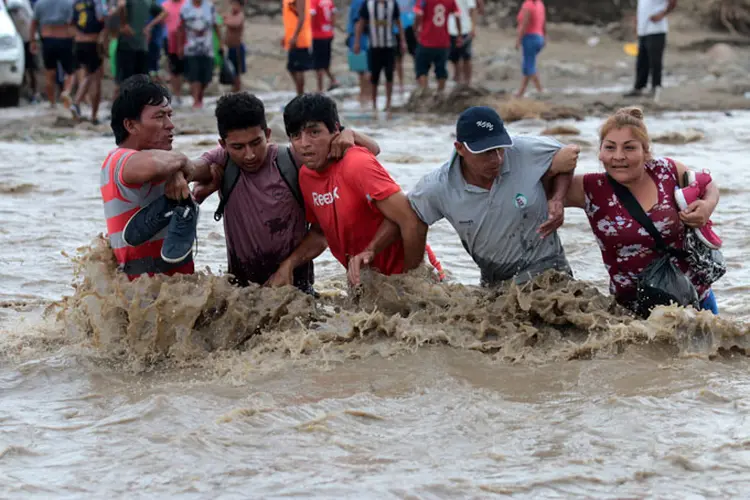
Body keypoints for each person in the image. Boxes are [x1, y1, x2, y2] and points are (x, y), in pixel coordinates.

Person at [190, 92, 382, 291]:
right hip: (240, 292)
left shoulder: (293, 161)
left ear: (268, 134)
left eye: (256, 142)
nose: (249, 155)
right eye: (238, 147)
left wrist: (348, 132)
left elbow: (320, 233)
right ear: (223, 145)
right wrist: (189, 187)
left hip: (297, 290)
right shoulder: (222, 162)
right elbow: (190, 167)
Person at [563, 107, 720, 315]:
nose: (618, 156)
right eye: (610, 148)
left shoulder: (667, 171)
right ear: (600, 152)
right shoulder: (590, 188)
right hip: (632, 311)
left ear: (646, 151)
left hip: (695, 300)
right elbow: (535, 194)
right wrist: (558, 166)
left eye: (629, 148)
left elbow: (708, 184)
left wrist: (707, 206)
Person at [408, 106, 581, 287]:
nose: (497, 159)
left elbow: (568, 155)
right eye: (486, 152)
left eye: (500, 148)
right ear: (460, 148)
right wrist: (418, 275)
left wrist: (558, 198)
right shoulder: (438, 186)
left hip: (550, 270)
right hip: (494, 280)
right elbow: (410, 217)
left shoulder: (523, 149)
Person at [282, 93, 426, 282]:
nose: (304, 144)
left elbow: (412, 220)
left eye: (314, 132)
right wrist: (288, 265)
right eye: (295, 136)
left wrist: (410, 284)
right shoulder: (306, 176)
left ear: (335, 129)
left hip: (404, 279)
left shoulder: (356, 163)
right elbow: (320, 233)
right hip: (368, 285)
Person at [102, 75, 215, 279]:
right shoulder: (119, 160)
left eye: (170, 115)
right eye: (160, 116)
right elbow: (155, 165)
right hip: (142, 295)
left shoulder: (164, 160)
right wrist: (179, 165)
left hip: (176, 294)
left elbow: (211, 170)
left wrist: (180, 172)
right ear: (131, 126)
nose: (170, 125)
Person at [353, 0, 406, 114]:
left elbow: (398, 22)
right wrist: (357, 42)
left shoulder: (392, 4)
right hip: (374, 46)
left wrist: (403, 41)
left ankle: (388, 103)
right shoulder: (368, 4)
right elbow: (361, 23)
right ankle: (374, 104)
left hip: (389, 45)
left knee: (389, 74)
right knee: (374, 76)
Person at [624, 0, 677, 102]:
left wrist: (662, 14)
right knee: (641, 60)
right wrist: (637, 23)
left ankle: (656, 87)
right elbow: (643, 8)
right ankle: (639, 87)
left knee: (655, 60)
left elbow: (673, 2)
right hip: (643, 30)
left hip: (656, 30)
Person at [29, 0, 75, 109]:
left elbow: (33, 23)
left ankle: (52, 102)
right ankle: (66, 92)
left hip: (47, 40)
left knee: (49, 73)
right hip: (65, 39)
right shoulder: (69, 3)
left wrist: (32, 41)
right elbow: (72, 22)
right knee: (70, 72)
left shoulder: (40, 3)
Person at [70, 0, 107, 124]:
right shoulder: (97, 2)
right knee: (95, 78)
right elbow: (103, 17)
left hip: (78, 43)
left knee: (88, 75)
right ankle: (89, 112)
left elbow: (70, 22)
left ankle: (81, 106)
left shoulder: (76, 3)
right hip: (93, 43)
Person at [413, 0, 460, 93]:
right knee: (441, 70)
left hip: (426, 40)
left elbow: (418, 14)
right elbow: (457, 15)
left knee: (422, 69)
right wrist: (459, 32)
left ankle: (424, 93)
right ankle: (440, 94)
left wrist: (415, 28)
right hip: (443, 41)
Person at [178, 0, 219, 108]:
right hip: (191, 48)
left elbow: (216, 26)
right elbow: (181, 28)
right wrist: (180, 46)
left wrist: (221, 43)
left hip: (207, 49)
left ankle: (200, 97)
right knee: (194, 75)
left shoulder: (210, 7)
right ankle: (196, 100)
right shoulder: (185, 7)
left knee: (206, 78)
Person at [116, 0, 166, 88]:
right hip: (142, 45)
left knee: (125, 81)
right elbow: (164, 13)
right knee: (141, 82)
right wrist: (149, 27)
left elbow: (121, 5)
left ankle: (125, 101)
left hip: (127, 45)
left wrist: (124, 24)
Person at [5, 0, 38, 102]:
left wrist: (33, 38)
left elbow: (30, 18)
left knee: (30, 68)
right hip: (12, 40)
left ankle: (34, 94)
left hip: (26, 38)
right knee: (23, 68)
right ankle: (25, 93)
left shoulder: (18, 2)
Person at [514, 0, 545, 98]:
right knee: (527, 65)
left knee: (529, 66)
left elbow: (524, 23)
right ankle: (521, 92)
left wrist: (518, 40)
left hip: (530, 38)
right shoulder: (540, 3)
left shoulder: (528, 5)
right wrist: (545, 36)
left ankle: (540, 91)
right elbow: (544, 22)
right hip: (539, 37)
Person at [282, 0, 312, 95]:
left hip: (300, 38)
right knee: (291, 67)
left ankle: (300, 95)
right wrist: (286, 36)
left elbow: (302, 17)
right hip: (291, 37)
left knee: (299, 68)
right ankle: (300, 93)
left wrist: (295, 36)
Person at [309, 0, 338, 92]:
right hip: (328, 34)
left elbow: (312, 15)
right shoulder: (329, 1)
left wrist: (309, 29)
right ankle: (333, 80)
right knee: (325, 61)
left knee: (318, 63)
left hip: (317, 35)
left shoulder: (314, 1)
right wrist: (331, 28)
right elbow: (333, 15)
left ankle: (320, 88)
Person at [347, 0, 370, 106]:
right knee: (363, 68)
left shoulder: (358, 2)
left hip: (360, 37)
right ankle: (365, 93)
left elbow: (358, 22)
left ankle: (364, 94)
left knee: (362, 68)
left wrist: (356, 41)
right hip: (363, 36)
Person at [448, 0, 475, 86]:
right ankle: (457, 79)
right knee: (454, 57)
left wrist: (473, 26)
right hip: (450, 28)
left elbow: (472, 9)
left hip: (465, 28)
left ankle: (468, 81)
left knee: (466, 56)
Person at [163, 0, 185, 103]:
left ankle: (179, 93)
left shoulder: (186, 4)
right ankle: (177, 94)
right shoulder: (165, 5)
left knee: (181, 69)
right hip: (169, 40)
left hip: (185, 41)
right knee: (173, 68)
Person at [393, 0, 416, 94]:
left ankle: (418, 81)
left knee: (415, 56)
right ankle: (401, 84)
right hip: (397, 28)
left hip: (411, 26)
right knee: (398, 58)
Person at [223, 0, 245, 92]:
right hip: (229, 48)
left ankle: (237, 89)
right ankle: (234, 89)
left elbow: (235, 24)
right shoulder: (231, 15)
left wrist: (226, 20)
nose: (233, 6)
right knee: (231, 71)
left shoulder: (240, 15)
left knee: (236, 71)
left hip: (237, 48)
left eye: (235, 4)